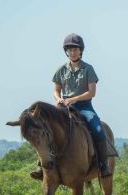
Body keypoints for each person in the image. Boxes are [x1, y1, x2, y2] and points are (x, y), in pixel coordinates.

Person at [30, 33, 111, 180]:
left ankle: (103, 165)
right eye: (70, 50)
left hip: (84, 107)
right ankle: (40, 166)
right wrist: (59, 99)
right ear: (66, 51)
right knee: (46, 129)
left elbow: (91, 92)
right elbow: (56, 90)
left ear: (81, 51)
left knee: (98, 129)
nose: (73, 52)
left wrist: (74, 99)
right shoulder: (61, 70)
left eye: (75, 49)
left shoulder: (88, 69)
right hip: (64, 107)